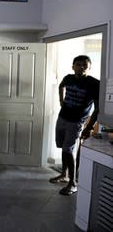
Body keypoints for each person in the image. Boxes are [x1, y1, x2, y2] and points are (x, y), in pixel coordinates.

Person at [49, 55, 99, 196]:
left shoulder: (94, 83)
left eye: (84, 65)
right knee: (63, 147)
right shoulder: (68, 78)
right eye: (78, 64)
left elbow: (98, 107)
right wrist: (61, 101)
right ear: (73, 66)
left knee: (68, 150)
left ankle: (73, 183)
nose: (81, 67)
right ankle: (63, 174)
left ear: (89, 68)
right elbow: (61, 86)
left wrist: (89, 126)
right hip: (62, 117)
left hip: (76, 121)